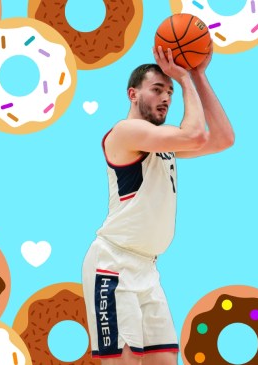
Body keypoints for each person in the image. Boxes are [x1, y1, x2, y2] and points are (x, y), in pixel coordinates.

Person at [82, 46, 233, 365]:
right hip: (113, 265)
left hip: (147, 268)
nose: (166, 97)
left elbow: (222, 139)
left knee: (164, 361)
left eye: (170, 92)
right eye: (157, 89)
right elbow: (193, 134)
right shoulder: (125, 132)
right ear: (132, 94)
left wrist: (199, 76)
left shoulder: (163, 142)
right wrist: (182, 75)